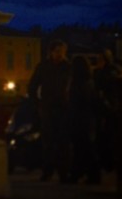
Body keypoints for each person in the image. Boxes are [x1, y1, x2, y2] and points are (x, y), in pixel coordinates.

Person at [28, 39, 72, 182]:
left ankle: (63, 172)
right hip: (48, 108)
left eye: (63, 51)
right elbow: (32, 86)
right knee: (48, 142)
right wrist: (37, 103)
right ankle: (48, 171)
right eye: (58, 51)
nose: (61, 54)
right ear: (51, 52)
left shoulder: (68, 67)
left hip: (63, 108)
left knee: (63, 141)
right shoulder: (43, 67)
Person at [68, 55, 101, 184]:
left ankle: (85, 174)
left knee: (82, 148)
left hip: (79, 119)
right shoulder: (89, 81)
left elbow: (76, 102)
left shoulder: (77, 83)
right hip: (87, 119)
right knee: (85, 148)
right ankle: (84, 174)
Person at [93, 49, 121, 171]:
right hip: (107, 107)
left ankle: (108, 163)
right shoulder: (110, 71)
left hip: (107, 108)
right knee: (106, 137)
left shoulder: (107, 72)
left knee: (106, 136)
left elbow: (101, 88)